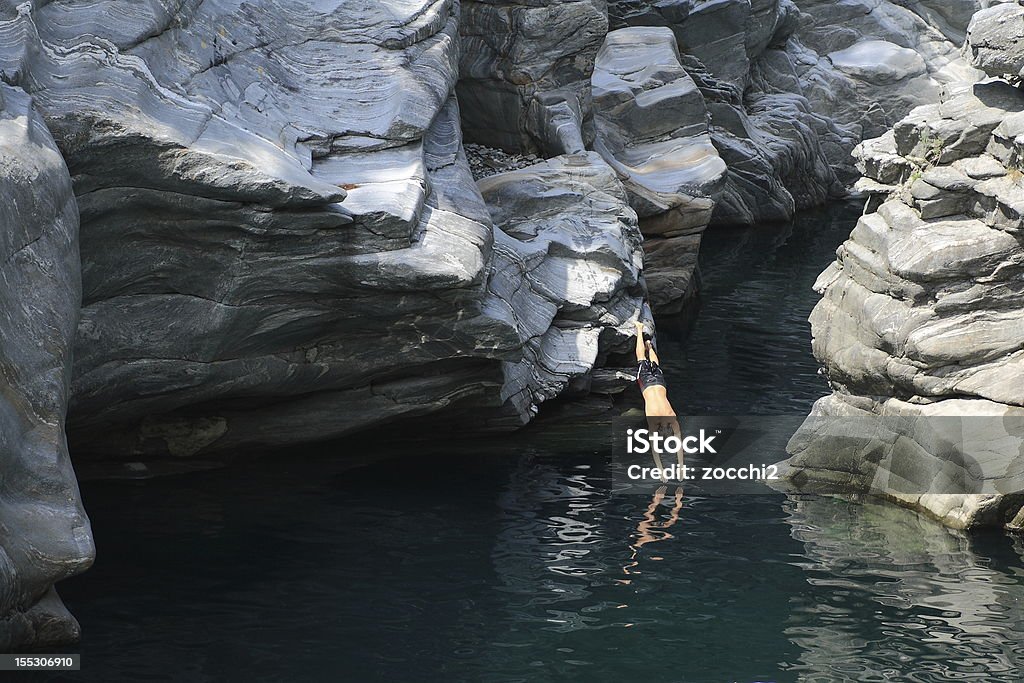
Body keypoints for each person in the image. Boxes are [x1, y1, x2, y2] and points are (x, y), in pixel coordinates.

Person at [634, 321, 683, 474]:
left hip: (659, 383)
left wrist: (681, 466)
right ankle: (639, 328)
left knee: (655, 365)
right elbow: (655, 451)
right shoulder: (653, 421)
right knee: (641, 359)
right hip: (647, 385)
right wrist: (661, 470)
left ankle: (649, 345)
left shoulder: (672, 418)